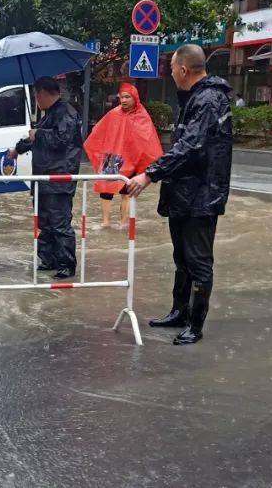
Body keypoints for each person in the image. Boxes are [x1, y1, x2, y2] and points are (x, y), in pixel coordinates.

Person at [126, 44, 233, 345]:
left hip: (202, 196)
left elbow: (191, 147)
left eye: (172, 68)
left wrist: (150, 174)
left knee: (198, 261)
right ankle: (179, 311)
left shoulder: (209, 100)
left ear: (183, 70)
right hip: (185, 194)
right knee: (181, 258)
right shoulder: (195, 98)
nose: (170, 73)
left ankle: (195, 324)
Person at [6, 76, 83, 279]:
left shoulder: (66, 112)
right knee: (45, 222)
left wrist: (38, 134)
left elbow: (60, 139)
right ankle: (48, 259)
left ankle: (66, 265)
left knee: (59, 223)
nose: (36, 100)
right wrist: (17, 149)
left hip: (59, 178)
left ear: (41, 93)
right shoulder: (49, 114)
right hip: (44, 178)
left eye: (36, 95)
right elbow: (37, 138)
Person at [83, 82, 163, 228]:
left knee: (127, 191)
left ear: (135, 98)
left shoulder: (142, 116)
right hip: (113, 157)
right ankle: (105, 222)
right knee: (106, 190)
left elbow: (148, 139)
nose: (124, 100)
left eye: (127, 97)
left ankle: (123, 223)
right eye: (121, 97)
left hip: (133, 159)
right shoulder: (113, 114)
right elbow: (99, 131)